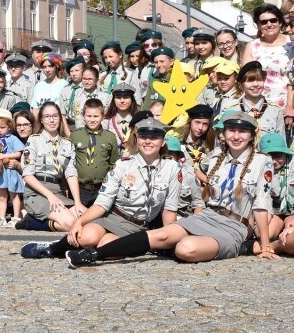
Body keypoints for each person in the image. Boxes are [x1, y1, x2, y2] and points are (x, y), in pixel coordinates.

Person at [57, 112, 278, 267]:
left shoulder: (262, 162)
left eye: (243, 131)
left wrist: (266, 245)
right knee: (161, 235)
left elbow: (260, 206)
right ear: (224, 133)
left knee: (186, 249)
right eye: (232, 130)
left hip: (232, 226)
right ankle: (93, 255)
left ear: (252, 135)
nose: (236, 136)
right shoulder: (214, 160)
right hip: (207, 217)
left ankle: (244, 247)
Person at [21, 118, 181, 264]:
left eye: (154, 137)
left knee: (110, 250)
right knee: (87, 237)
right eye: (143, 137)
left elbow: (169, 210)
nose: (148, 141)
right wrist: (79, 222)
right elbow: (102, 203)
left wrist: (169, 239)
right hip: (113, 217)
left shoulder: (171, 168)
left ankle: (87, 253)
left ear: (162, 141)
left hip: (139, 226)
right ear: (137, 139)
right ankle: (52, 249)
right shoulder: (123, 165)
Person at [17, 102, 81, 232]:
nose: (51, 120)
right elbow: (28, 176)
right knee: (70, 223)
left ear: (60, 118)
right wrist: (49, 196)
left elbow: (71, 174)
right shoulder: (34, 140)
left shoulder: (67, 144)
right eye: (47, 116)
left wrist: (78, 202)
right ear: (41, 119)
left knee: (84, 219)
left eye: (55, 116)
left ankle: (43, 219)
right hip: (37, 193)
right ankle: (30, 222)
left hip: (57, 191)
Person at [69, 99, 119, 208]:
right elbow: (69, 162)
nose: (92, 120)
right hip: (80, 188)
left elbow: (113, 162)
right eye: (89, 116)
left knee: (97, 220)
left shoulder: (110, 137)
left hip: (101, 189)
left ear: (102, 116)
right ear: (83, 116)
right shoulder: (75, 135)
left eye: (96, 116)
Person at [242, 4, 289, 107]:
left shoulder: (291, 43)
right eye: (263, 22)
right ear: (258, 26)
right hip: (260, 105)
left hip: (289, 105)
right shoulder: (252, 46)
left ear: (280, 22)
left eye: (273, 20)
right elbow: (246, 78)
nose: (269, 24)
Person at [0, 109, 25, 228]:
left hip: (11, 171)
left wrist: (5, 155)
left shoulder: (13, 138)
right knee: (2, 196)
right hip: (0, 173)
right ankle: (2, 218)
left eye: (2, 127)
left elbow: (18, 153)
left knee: (14, 195)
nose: (0, 130)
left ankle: (16, 217)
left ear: (9, 127)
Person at [231, 61, 284, 140]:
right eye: (250, 81)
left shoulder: (275, 111)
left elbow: (281, 142)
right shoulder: (232, 110)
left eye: (259, 80)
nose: (255, 84)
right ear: (240, 85)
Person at [258, 133, 293, 241]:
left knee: (290, 231)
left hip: (292, 212)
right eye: (269, 156)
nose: (273, 161)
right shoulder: (258, 166)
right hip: (274, 211)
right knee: (263, 234)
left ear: (285, 153)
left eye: (278, 155)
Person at [162, 135, 205, 217]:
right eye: (163, 153)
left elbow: (198, 204)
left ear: (178, 156)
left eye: (170, 154)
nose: (166, 156)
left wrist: (194, 223)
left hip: (180, 217)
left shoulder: (189, 175)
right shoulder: (152, 173)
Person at [180, 104, 216, 187]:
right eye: (197, 122)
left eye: (205, 124)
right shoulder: (179, 142)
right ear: (190, 122)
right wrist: (205, 179)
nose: (201, 127)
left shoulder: (210, 143)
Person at [103, 83, 139, 158]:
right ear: (114, 100)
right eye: (118, 97)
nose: (122, 101)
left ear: (132, 99)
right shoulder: (106, 122)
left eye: (126, 97)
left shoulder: (139, 121)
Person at [60, 57, 85, 128]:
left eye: (77, 70)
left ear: (83, 71)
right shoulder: (65, 90)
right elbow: (62, 113)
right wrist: (65, 128)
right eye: (71, 71)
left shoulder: (87, 89)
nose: (74, 74)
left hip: (83, 125)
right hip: (68, 125)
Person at [137, 30, 163, 99]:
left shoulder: (166, 66)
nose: (150, 48)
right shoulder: (140, 68)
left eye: (154, 45)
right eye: (146, 46)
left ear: (160, 45)